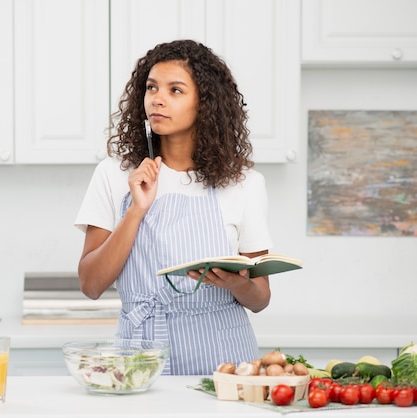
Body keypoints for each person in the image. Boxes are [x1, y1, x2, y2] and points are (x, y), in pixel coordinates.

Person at [74, 39, 273, 375]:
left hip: (223, 362)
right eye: (151, 88)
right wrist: (136, 210)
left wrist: (235, 283)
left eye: (175, 90)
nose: (158, 99)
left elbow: (261, 298)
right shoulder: (116, 173)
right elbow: (91, 285)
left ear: (205, 104)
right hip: (141, 359)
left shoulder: (244, 183)